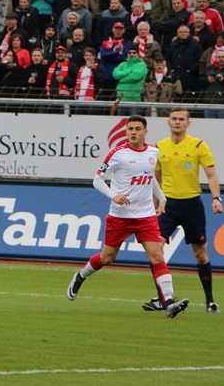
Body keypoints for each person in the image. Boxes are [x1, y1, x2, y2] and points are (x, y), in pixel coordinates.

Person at [67, 115, 189, 319]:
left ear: (145, 132)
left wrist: (161, 197)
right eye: (130, 128)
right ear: (126, 131)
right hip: (120, 216)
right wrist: (113, 195)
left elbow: (149, 177)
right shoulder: (117, 154)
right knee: (107, 258)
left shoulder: (153, 151)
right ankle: (80, 276)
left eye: (137, 128)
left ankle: (168, 302)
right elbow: (97, 180)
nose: (133, 132)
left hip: (146, 215)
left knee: (157, 255)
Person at [142, 108, 222, 314]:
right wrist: (153, 204)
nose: (177, 122)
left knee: (201, 254)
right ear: (168, 121)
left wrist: (215, 197)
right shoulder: (159, 147)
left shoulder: (198, 145)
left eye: (181, 119)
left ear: (188, 123)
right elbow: (156, 179)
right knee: (155, 250)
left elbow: (211, 175)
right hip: (167, 205)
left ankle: (210, 301)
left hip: (192, 204)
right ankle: (163, 299)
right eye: (174, 119)